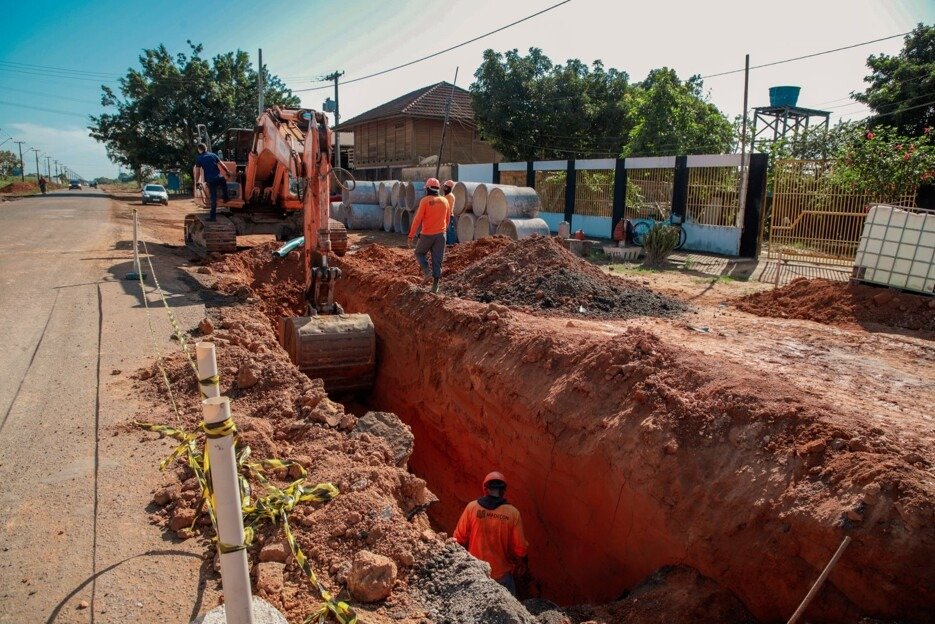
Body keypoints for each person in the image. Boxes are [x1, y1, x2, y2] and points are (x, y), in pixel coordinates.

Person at [453, 471, 529, 596]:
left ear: (485, 488)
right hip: (501, 576)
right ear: (504, 490)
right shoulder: (512, 513)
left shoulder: (472, 508)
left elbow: (458, 538)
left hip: (476, 572)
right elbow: (520, 548)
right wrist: (522, 561)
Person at [408, 177, 450, 293]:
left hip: (427, 234)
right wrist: (442, 231)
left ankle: (427, 272)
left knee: (419, 252)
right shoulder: (445, 201)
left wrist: (411, 235)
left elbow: (418, 219)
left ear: (427, 189)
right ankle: (435, 287)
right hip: (441, 235)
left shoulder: (425, 201)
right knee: (438, 260)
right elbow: (447, 219)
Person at [194, 143, 231, 221]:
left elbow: (197, 172)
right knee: (224, 183)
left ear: (199, 150)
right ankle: (226, 198)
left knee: (213, 198)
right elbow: (222, 165)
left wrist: (197, 182)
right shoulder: (213, 155)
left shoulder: (199, 158)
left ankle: (213, 217)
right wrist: (227, 171)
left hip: (210, 180)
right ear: (206, 148)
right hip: (218, 178)